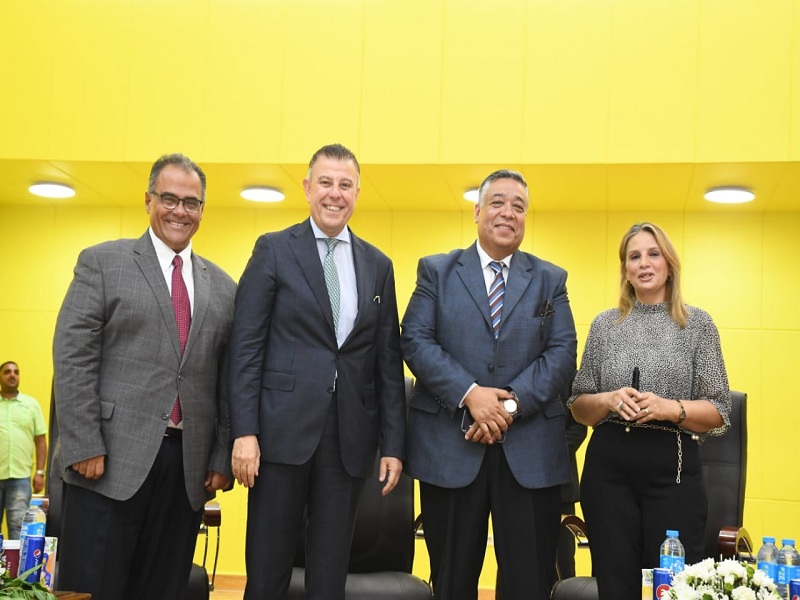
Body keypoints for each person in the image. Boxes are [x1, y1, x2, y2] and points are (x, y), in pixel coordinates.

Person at [52, 153, 237, 599]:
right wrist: (83, 442)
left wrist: (219, 454)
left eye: (191, 202)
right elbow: (72, 356)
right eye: (169, 198)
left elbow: (228, 379)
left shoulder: (225, 287)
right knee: (93, 589)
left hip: (184, 473)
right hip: (106, 462)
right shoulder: (102, 263)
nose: (180, 210)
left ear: (202, 210)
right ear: (148, 199)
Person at [228, 143, 407, 600]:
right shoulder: (272, 250)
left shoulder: (378, 265)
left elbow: (386, 362)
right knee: (267, 572)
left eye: (345, 185)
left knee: (329, 577)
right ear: (308, 189)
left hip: (348, 441)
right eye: (325, 183)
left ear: (357, 193)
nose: (335, 194)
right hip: (278, 437)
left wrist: (393, 445)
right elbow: (245, 349)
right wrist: (243, 432)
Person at [401, 169, 578, 600]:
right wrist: (470, 395)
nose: (508, 213)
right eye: (498, 202)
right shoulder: (437, 271)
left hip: (529, 452)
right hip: (451, 447)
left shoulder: (549, 279)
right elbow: (415, 339)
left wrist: (507, 407)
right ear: (478, 212)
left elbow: (561, 354)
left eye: (519, 206)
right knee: (452, 579)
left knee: (529, 583)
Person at [568, 222, 731, 600]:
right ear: (624, 269)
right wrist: (608, 400)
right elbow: (578, 406)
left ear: (669, 264)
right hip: (608, 472)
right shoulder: (605, 325)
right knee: (615, 584)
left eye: (653, 254)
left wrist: (668, 407)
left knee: (672, 588)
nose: (644, 263)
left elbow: (720, 411)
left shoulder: (697, 324)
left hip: (672, 471)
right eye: (634, 256)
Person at [0, 361, 47, 540]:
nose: (12, 375)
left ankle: (14, 568)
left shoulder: (31, 404)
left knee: (18, 526)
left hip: (20, 477)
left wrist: (40, 472)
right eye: (7, 372)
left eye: (16, 372)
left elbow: (40, 441)